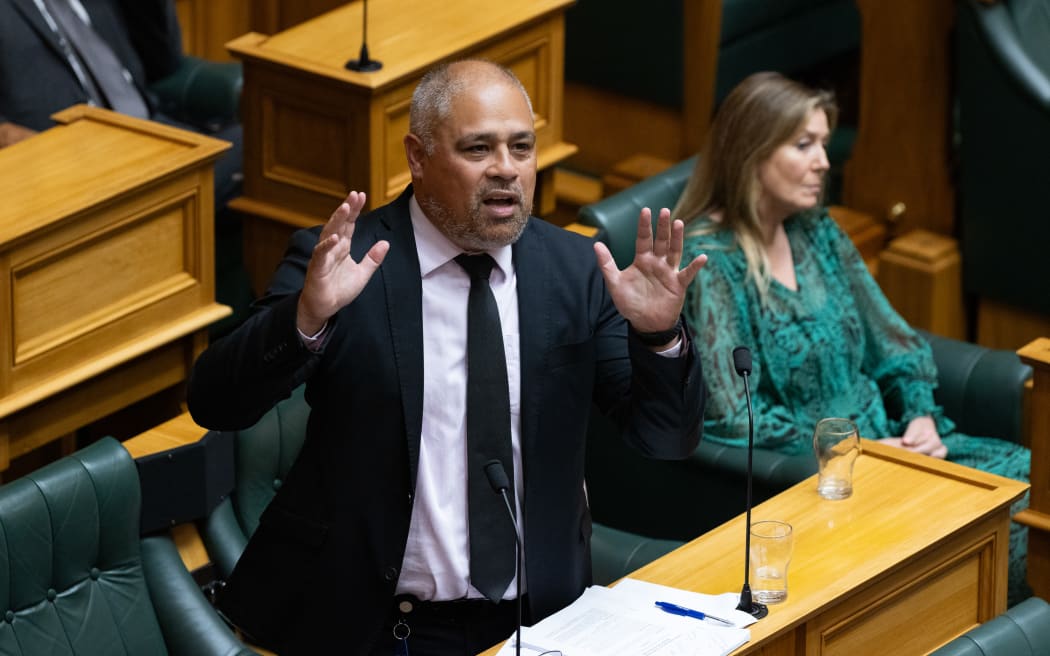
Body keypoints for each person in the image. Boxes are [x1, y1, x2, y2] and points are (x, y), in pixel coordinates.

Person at [186, 59, 708, 655]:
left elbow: (667, 440)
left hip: (536, 622)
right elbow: (214, 402)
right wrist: (306, 317)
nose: (506, 169)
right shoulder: (349, 263)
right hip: (373, 625)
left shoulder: (576, 272)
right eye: (478, 149)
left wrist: (658, 336)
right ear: (418, 156)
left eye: (521, 147)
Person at [675, 71, 1031, 604]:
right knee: (1003, 527)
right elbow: (734, 415)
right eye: (804, 145)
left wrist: (920, 416)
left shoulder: (816, 231)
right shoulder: (712, 262)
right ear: (751, 151)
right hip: (827, 481)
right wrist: (848, 452)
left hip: (902, 448)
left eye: (823, 143)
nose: (824, 160)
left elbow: (895, 342)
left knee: (1033, 483)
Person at [0, 0, 251, 334]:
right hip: (74, 168)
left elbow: (163, 61)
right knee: (261, 149)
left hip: (159, 135)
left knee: (267, 145)